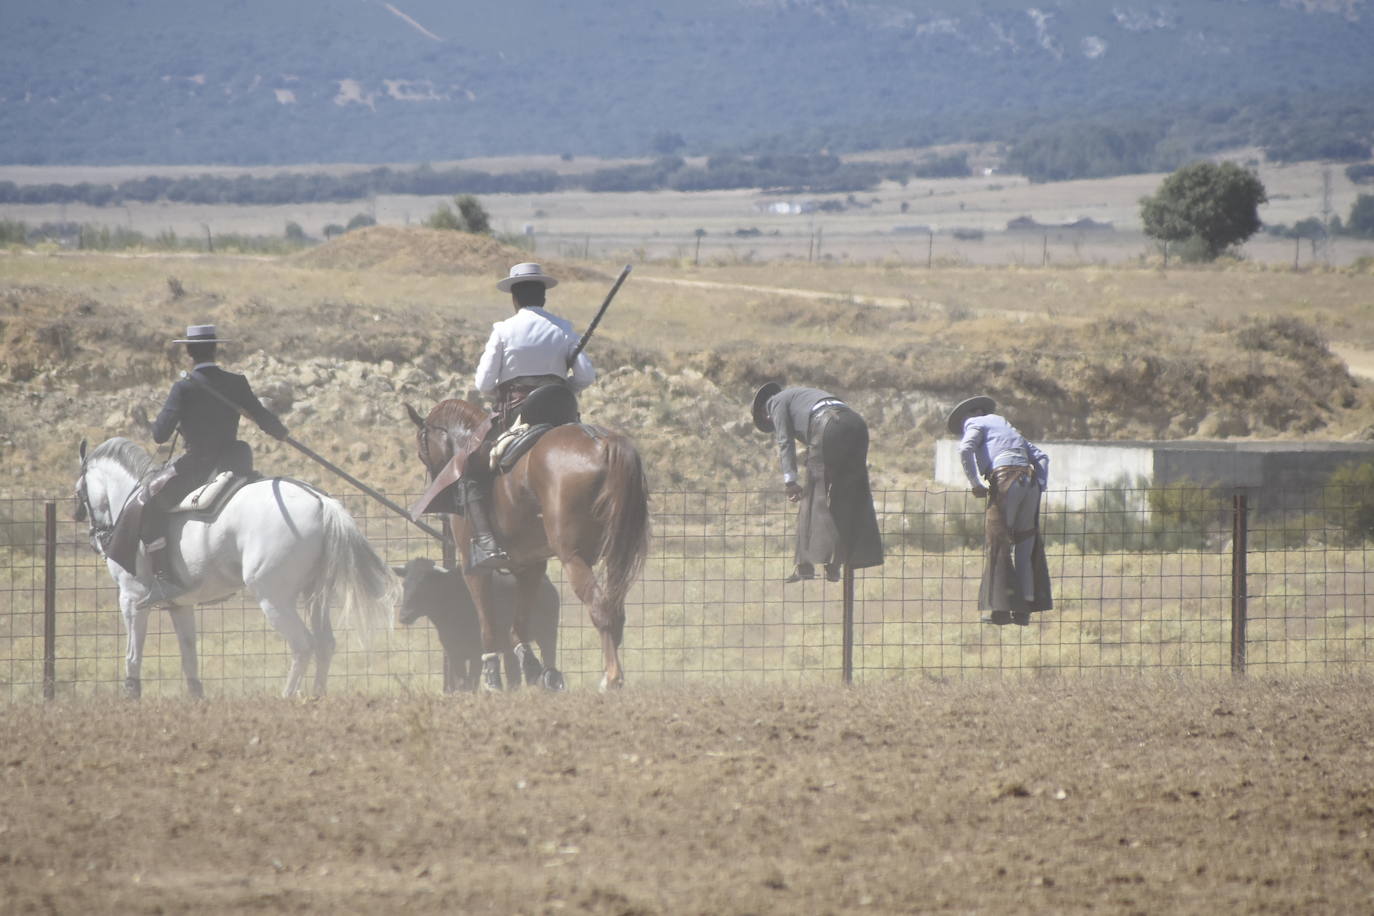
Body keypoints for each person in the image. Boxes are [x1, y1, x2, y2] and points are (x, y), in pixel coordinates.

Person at [130, 324, 288, 607]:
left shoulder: (184, 387)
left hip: (199, 465)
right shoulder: (236, 382)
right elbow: (263, 418)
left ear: (189, 352)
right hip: (236, 461)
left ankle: (164, 578)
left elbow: (159, 435)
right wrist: (281, 432)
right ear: (215, 348)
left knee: (150, 502)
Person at [463, 262, 596, 570]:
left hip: (518, 418)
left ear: (514, 298)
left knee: (469, 467)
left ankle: (486, 543)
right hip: (563, 415)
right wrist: (566, 384)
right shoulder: (563, 328)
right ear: (543, 297)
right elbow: (587, 375)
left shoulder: (503, 330)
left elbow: (483, 383)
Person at [752, 382, 883, 582]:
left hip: (826, 426)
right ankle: (837, 563)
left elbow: (785, 441)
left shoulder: (775, 403)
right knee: (849, 495)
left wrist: (790, 481)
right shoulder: (803, 395)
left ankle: (805, 566)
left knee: (813, 497)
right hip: (856, 425)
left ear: (764, 414)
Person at [946, 395, 1052, 626]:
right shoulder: (1006, 426)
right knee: (1025, 543)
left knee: (998, 541)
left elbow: (965, 449)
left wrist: (975, 483)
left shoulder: (976, 423)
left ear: (970, 416)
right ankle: (1024, 609)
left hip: (1004, 480)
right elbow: (1042, 457)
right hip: (1030, 481)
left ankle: (1000, 609)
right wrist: (1040, 484)